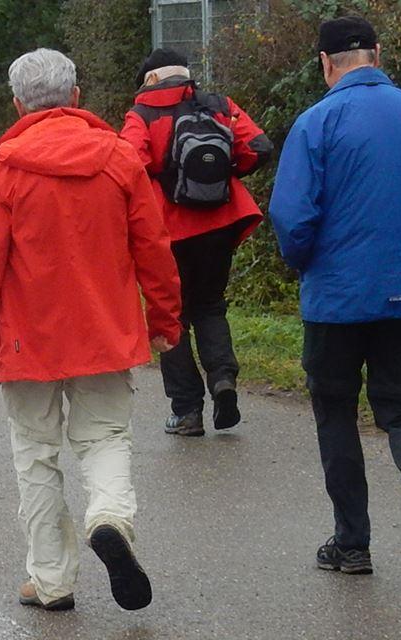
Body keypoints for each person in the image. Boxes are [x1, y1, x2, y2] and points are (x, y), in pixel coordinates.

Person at [0, 49, 181, 612]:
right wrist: (165, 320)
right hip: (104, 330)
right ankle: (109, 518)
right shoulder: (119, 159)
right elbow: (154, 249)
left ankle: (50, 581)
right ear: (75, 97)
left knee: (36, 455)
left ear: (17, 104)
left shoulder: (2, 170)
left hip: (27, 340)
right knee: (105, 438)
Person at [269, 16, 401, 578]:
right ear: (377, 54)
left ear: (325, 63)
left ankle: (352, 544)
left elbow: (291, 216)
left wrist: (307, 262)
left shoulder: (316, 122)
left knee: (335, 413)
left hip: (335, 300)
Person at [119, 48, 275, 437]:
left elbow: (127, 165)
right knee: (210, 305)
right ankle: (223, 380)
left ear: (150, 79)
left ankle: (187, 410)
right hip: (221, 221)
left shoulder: (141, 114)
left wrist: (162, 181)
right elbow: (259, 147)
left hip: (166, 231)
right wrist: (221, 176)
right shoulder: (219, 105)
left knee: (171, 316)